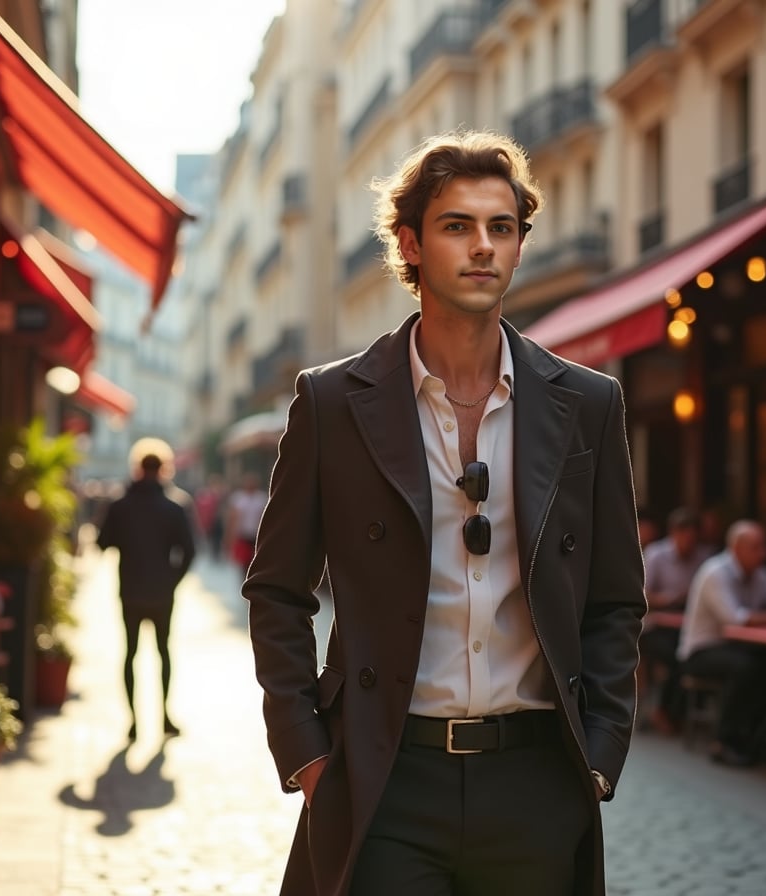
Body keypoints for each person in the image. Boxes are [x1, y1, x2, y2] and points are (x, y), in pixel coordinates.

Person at [243, 130, 646, 896]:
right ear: (411, 244)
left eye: (502, 227)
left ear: (521, 246)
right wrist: (309, 756)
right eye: (458, 226)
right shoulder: (332, 403)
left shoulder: (588, 403)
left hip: (538, 780)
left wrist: (597, 756)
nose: (483, 246)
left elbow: (617, 598)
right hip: (388, 777)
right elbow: (277, 589)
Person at [677, 519, 766, 767]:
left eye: (764, 547)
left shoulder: (759, 573)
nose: (764, 554)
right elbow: (735, 620)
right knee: (747, 669)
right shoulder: (715, 573)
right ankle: (723, 741)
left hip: (739, 647)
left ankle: (756, 736)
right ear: (737, 548)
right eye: (757, 547)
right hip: (702, 650)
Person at [97, 452, 197, 740]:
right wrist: (171, 581)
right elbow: (189, 551)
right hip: (162, 593)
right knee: (164, 653)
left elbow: (103, 543)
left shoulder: (120, 506)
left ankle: (133, 721)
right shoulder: (174, 507)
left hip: (129, 590)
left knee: (130, 653)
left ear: (138, 468)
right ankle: (164, 716)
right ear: (164, 469)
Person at [639, 507, 712, 732]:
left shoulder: (702, 558)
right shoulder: (656, 555)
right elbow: (642, 594)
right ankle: (662, 710)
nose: (688, 543)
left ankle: (678, 711)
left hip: (686, 626)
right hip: (654, 626)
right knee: (674, 657)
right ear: (674, 534)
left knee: (691, 655)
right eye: (684, 537)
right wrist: (668, 600)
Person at [224, 472, 267, 577]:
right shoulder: (238, 498)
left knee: (256, 561)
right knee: (244, 562)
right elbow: (232, 519)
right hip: (243, 535)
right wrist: (229, 538)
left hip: (257, 536)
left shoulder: (261, 498)